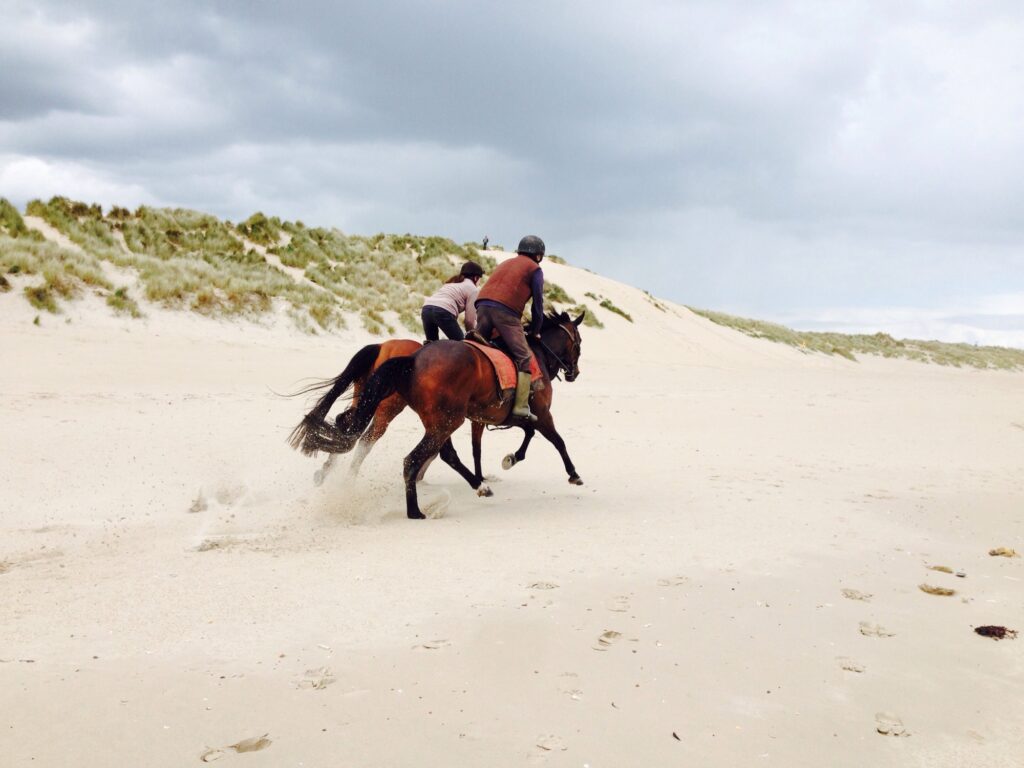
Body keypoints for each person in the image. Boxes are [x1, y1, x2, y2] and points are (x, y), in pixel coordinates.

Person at [474, 235, 545, 422]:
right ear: (539, 255)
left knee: (478, 347)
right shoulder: (535, 269)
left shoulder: (506, 263)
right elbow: (538, 305)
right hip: (505, 312)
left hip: (482, 307)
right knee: (524, 357)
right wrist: (536, 329)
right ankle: (520, 407)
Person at [421, 261, 484, 342]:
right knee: (461, 345)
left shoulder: (452, 283)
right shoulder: (473, 289)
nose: (480, 282)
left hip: (426, 309)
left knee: (431, 344)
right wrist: (472, 338)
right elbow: (469, 321)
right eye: (480, 278)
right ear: (476, 278)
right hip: (443, 311)